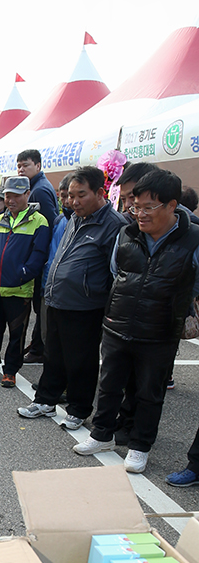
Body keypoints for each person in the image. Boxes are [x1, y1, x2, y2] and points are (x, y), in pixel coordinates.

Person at [73, 168, 199, 473]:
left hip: (160, 331)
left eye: (147, 207)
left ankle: (141, 446)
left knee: (149, 392)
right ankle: (101, 434)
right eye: (135, 206)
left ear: (172, 206)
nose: (139, 214)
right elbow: (118, 272)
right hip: (119, 323)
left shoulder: (193, 239)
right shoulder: (127, 233)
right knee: (110, 385)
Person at [17, 167, 125, 429]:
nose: (73, 202)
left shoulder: (114, 225)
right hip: (57, 298)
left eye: (81, 195)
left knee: (81, 360)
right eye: (69, 196)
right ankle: (45, 400)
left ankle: (78, 408)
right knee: (53, 354)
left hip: (85, 305)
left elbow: (117, 273)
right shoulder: (74, 218)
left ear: (100, 192)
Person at [0, 175, 50, 388]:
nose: (11, 200)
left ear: (27, 194)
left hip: (19, 290)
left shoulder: (39, 222)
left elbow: (39, 255)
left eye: (16, 195)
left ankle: (10, 371)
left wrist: (22, 273)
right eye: (8, 195)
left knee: (16, 334)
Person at [16, 149, 56, 364]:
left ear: (38, 166)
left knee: (40, 306)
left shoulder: (39, 190)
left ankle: (39, 348)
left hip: (41, 258)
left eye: (26, 165)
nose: (21, 169)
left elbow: (48, 226)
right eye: (19, 166)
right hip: (40, 257)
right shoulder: (36, 187)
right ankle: (37, 344)